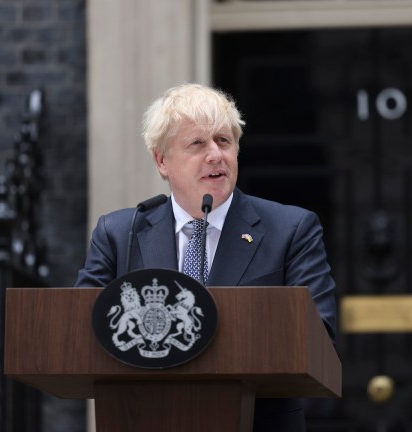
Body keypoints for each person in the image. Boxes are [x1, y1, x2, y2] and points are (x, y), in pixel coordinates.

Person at [75, 83, 337, 432]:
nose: (215, 154)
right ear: (161, 160)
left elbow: (318, 337)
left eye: (224, 141)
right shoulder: (120, 233)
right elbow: (78, 335)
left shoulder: (291, 229)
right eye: (197, 144)